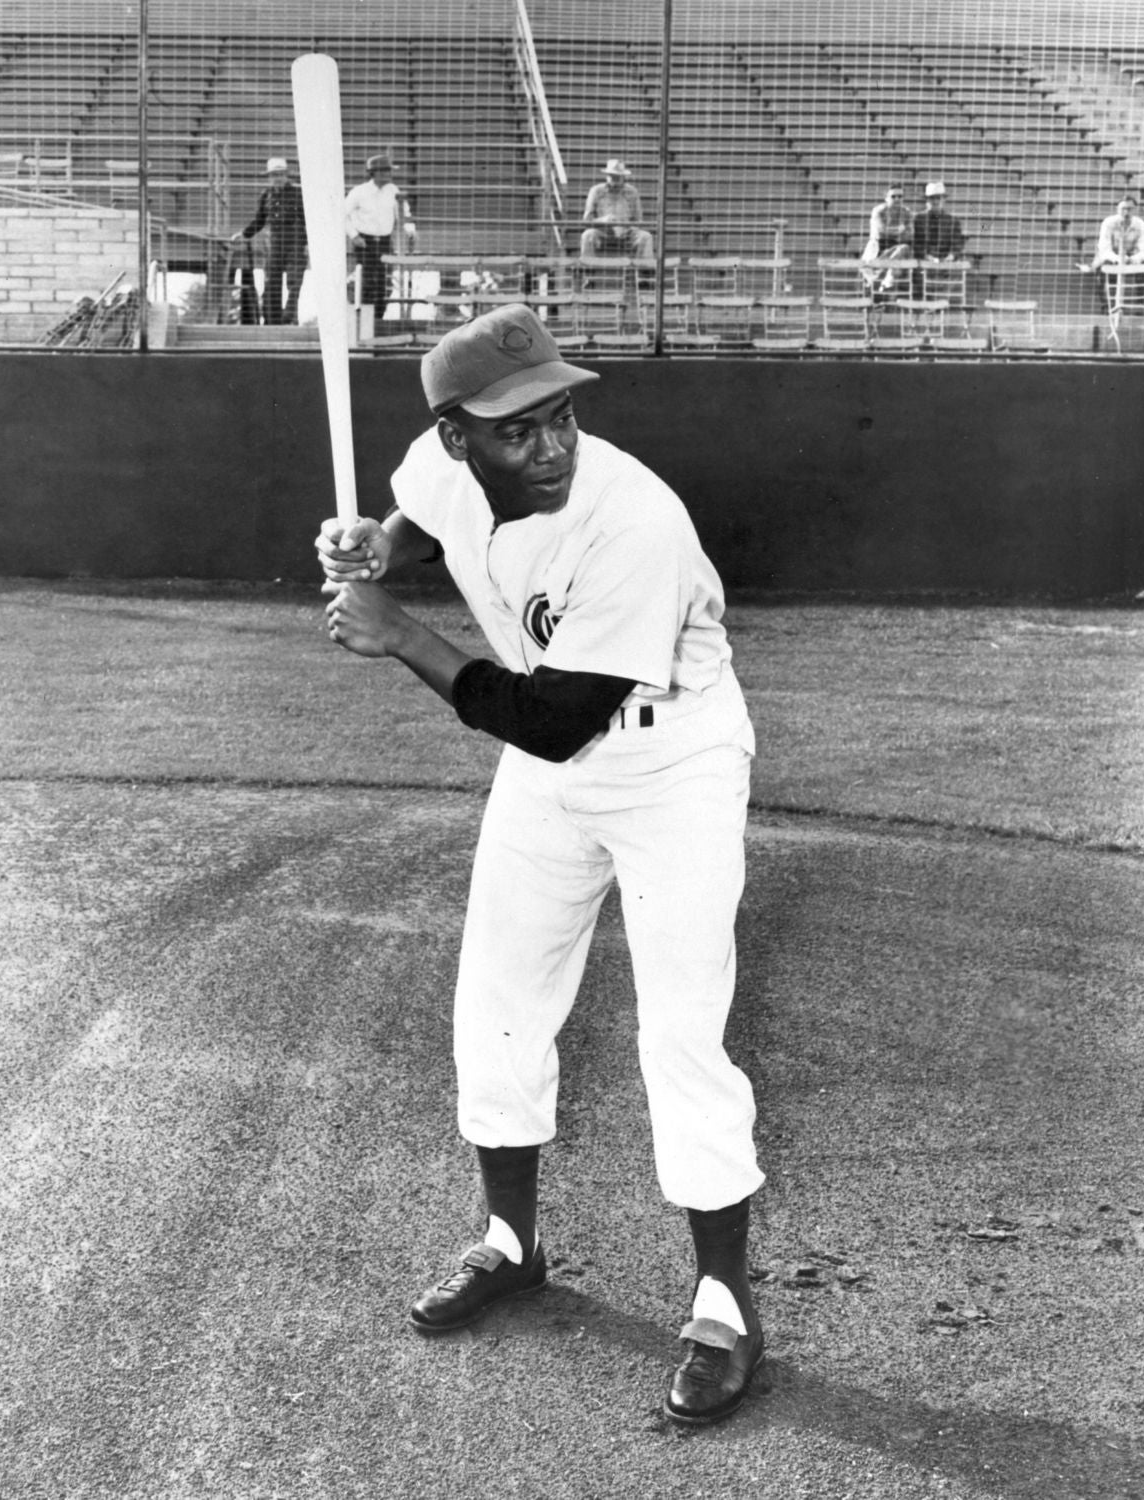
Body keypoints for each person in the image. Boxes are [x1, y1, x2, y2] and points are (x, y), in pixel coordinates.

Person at [315, 303, 766, 1428]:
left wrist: (401, 633)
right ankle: (510, 1243)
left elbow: (557, 718)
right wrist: (381, 544)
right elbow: (421, 513)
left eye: (558, 412)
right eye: (517, 428)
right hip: (542, 761)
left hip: (673, 759)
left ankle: (723, 1300)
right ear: (460, 435)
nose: (550, 443)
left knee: (678, 1026)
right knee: (497, 1004)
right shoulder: (443, 457)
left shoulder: (634, 519)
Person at [232, 156, 307, 326]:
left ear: (286, 175)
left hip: (296, 239)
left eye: (280, 174)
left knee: (294, 281)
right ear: (269, 177)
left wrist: (307, 244)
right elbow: (260, 220)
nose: (277, 178)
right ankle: (273, 321)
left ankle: (290, 316)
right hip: (275, 240)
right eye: (274, 175)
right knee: (272, 281)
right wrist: (244, 234)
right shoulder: (266, 195)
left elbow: (307, 220)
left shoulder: (298, 193)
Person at [344, 153, 416, 323]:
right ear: (373, 173)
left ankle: (377, 320)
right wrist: (354, 236)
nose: (388, 175)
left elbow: (403, 214)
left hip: (384, 242)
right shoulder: (359, 192)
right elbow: (342, 214)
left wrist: (410, 230)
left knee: (384, 283)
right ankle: (364, 320)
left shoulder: (393, 191)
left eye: (388, 171)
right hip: (364, 243)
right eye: (384, 171)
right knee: (366, 282)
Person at [1081, 194, 1144, 311]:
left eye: (1130, 209)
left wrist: (1131, 259)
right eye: (1123, 209)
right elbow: (1104, 249)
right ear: (1117, 209)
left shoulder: (1141, 224)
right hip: (1111, 256)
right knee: (1103, 270)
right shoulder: (1108, 223)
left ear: (1135, 210)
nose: (1126, 212)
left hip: (1131, 257)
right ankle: (1107, 307)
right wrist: (1119, 259)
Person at [580, 158, 656, 259]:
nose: (614, 180)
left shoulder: (632, 192)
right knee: (587, 235)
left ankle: (644, 270)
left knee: (645, 237)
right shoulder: (596, 191)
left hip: (627, 233)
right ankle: (587, 267)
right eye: (612, 177)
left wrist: (625, 226)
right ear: (607, 176)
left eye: (617, 177)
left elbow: (638, 221)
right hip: (602, 233)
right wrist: (603, 221)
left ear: (623, 177)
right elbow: (586, 221)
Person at [860, 184, 914, 291]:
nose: (897, 199)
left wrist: (892, 231)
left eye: (900, 196)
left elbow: (910, 234)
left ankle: (881, 282)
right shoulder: (878, 211)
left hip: (897, 251)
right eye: (893, 196)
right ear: (886, 198)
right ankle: (884, 282)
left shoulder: (907, 213)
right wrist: (900, 229)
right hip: (879, 252)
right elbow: (881, 231)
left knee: (904, 249)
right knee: (897, 264)